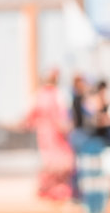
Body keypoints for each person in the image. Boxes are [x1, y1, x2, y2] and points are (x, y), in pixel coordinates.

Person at [22, 68, 73, 203]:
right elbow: (63, 119)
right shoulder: (57, 95)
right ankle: (54, 191)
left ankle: (53, 191)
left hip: (47, 136)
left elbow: (29, 117)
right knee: (59, 164)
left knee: (53, 164)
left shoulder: (39, 95)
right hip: (53, 136)